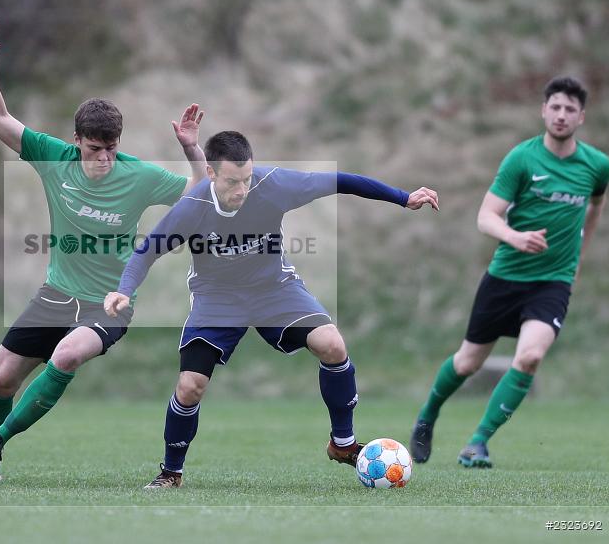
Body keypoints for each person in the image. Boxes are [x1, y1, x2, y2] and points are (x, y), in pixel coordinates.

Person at [103, 130, 438, 487]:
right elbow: (147, 251)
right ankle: (171, 472)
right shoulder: (193, 208)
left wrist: (404, 198)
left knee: (333, 345)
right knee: (189, 387)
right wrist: (123, 290)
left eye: (246, 179)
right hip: (218, 299)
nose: (242, 190)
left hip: (274, 289)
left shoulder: (274, 184)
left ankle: (343, 444)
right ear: (212, 174)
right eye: (233, 181)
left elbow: (342, 181)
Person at [0, 13, 208, 481]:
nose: (105, 158)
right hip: (56, 294)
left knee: (68, 355)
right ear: (77, 142)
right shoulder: (55, 158)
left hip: (109, 303)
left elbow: (201, 194)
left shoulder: (139, 175)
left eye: (112, 148)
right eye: (95, 148)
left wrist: (192, 150)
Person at [410, 76, 609, 468]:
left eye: (570, 109)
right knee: (468, 363)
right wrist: (515, 237)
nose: (561, 114)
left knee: (530, 358)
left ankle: (477, 443)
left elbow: (596, 207)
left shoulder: (597, 166)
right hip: (505, 277)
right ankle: (428, 414)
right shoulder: (522, 158)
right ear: (543, 110)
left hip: (552, 282)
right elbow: (486, 217)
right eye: (555, 106)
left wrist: (578, 258)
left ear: (581, 117)